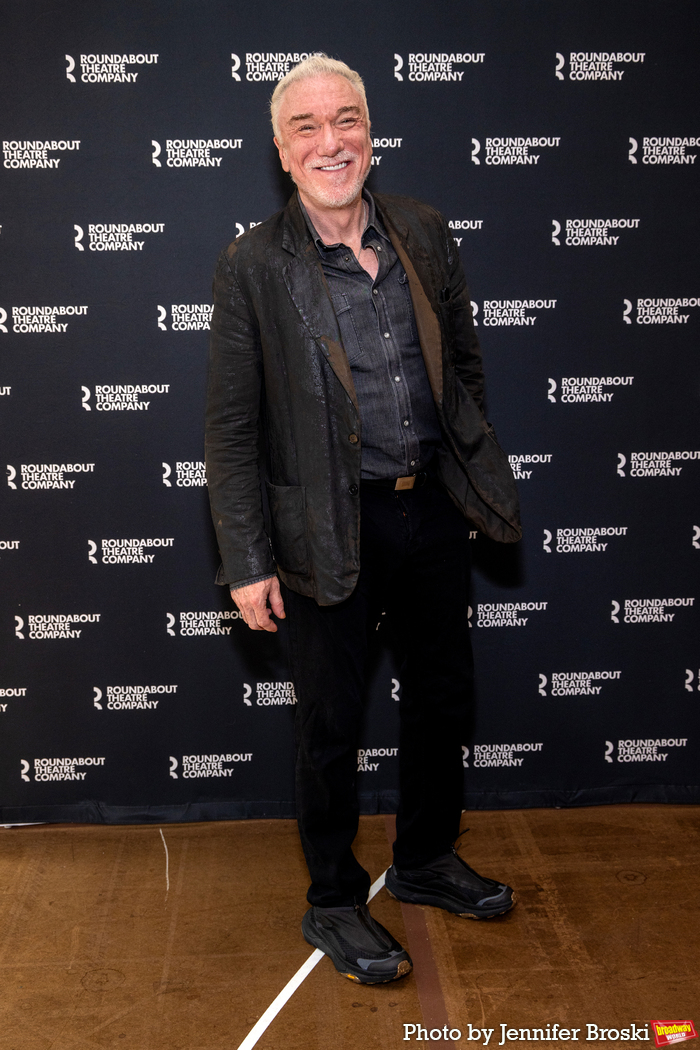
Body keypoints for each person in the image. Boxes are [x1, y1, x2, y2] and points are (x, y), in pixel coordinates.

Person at [205, 54, 521, 985]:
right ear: (281, 150)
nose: (330, 141)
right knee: (331, 721)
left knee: (442, 699)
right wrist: (246, 559)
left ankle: (423, 859)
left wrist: (465, 475)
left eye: (346, 119)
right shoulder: (253, 264)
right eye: (306, 127)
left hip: (429, 509)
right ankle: (335, 900)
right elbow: (231, 428)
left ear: (371, 132)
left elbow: (463, 367)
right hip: (323, 527)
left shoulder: (423, 230)